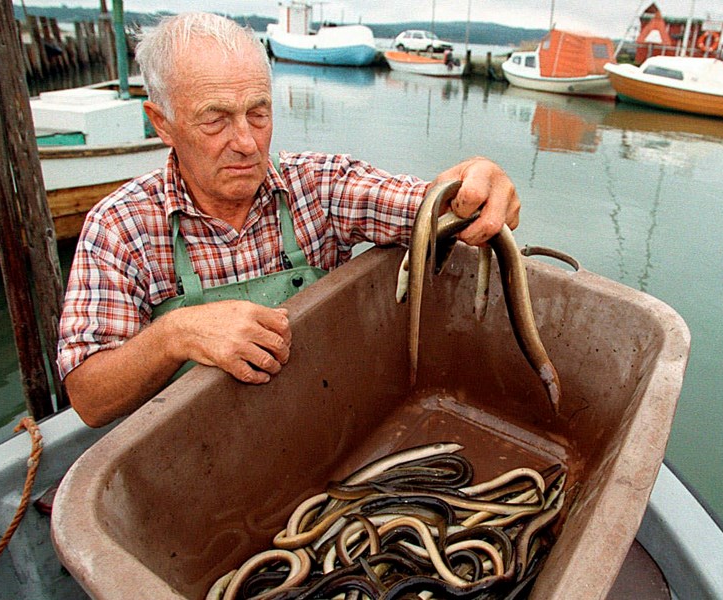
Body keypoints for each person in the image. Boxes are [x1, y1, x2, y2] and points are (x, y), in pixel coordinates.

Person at [57, 12, 521, 428]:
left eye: (258, 113)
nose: (246, 142)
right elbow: (90, 399)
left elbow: (430, 206)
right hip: (200, 459)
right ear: (161, 123)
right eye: (215, 120)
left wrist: (475, 189)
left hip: (320, 426)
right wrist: (175, 336)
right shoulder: (119, 227)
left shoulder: (319, 186)